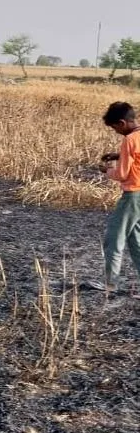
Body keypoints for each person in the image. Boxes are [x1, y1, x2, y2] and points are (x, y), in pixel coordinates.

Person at [94, 102, 140, 295]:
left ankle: (110, 284)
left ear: (122, 122)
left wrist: (107, 170)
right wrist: (119, 155)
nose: (115, 132)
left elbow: (122, 174)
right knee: (135, 239)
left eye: (115, 127)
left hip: (133, 195)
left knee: (114, 239)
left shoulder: (129, 139)